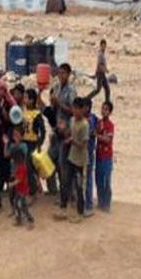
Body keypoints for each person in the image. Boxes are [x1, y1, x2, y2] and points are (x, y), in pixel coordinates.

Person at [55, 97, 88, 223]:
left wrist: (72, 141)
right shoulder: (72, 120)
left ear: (82, 110)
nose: (74, 111)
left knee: (79, 187)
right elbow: (69, 133)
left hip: (80, 160)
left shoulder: (85, 125)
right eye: (73, 108)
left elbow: (83, 145)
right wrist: (63, 130)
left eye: (77, 109)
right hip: (71, 157)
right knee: (66, 183)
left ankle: (80, 213)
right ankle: (63, 209)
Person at [52, 64, 77, 207]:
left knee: (64, 165)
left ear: (68, 74)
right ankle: (64, 193)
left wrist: (59, 103)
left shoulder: (71, 91)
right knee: (56, 163)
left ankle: (66, 197)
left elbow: (74, 111)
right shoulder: (57, 88)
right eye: (59, 73)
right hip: (58, 130)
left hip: (67, 132)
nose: (60, 76)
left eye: (63, 73)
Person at [22, 88, 46, 197]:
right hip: (24, 142)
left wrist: (39, 144)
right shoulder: (24, 111)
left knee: (29, 167)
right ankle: (36, 188)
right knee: (28, 167)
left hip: (32, 143)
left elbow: (43, 131)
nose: (24, 100)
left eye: (26, 98)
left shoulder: (37, 114)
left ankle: (33, 192)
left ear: (32, 100)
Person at [95, 101, 114, 212]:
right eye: (103, 108)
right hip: (99, 155)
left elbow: (108, 140)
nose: (103, 111)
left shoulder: (110, 125)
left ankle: (106, 203)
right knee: (99, 179)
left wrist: (97, 135)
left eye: (106, 109)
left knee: (106, 180)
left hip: (107, 156)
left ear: (110, 112)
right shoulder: (99, 123)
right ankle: (101, 202)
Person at [9, 148, 35, 229]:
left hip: (22, 190)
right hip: (19, 190)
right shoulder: (20, 166)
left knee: (23, 206)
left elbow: (19, 179)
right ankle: (19, 219)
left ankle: (29, 221)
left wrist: (12, 184)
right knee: (16, 203)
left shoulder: (22, 167)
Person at [84, 98, 99, 215]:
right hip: (87, 153)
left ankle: (88, 205)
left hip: (87, 153)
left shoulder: (89, 120)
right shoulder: (93, 118)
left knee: (87, 179)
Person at [86, 39, 111, 103]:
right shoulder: (100, 54)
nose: (104, 47)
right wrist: (105, 70)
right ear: (100, 46)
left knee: (107, 89)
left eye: (104, 46)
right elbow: (99, 65)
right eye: (102, 46)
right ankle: (87, 98)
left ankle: (107, 102)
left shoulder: (102, 54)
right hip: (100, 73)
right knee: (98, 89)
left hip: (102, 74)